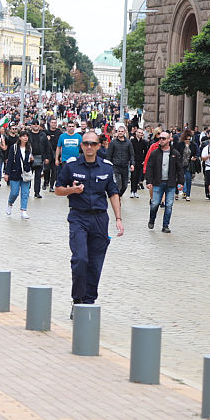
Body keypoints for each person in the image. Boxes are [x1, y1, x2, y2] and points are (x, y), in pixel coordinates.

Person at [54, 130, 124, 311]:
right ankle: (77, 300)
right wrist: (72, 190)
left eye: (93, 144)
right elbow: (58, 189)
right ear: (81, 146)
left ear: (99, 146)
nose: (89, 147)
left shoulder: (106, 168)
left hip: (100, 219)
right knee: (80, 258)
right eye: (86, 144)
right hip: (78, 217)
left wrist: (118, 218)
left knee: (95, 262)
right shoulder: (72, 166)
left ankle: (88, 302)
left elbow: (113, 193)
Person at [145, 131, 183, 233]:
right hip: (157, 182)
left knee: (169, 205)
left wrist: (181, 182)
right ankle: (152, 219)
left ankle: (165, 225)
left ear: (169, 140)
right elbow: (149, 167)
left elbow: (179, 169)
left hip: (170, 183)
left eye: (163, 138)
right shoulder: (155, 153)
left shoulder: (175, 153)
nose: (161, 140)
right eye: (160, 138)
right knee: (155, 203)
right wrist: (148, 181)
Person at [4, 130, 35, 219]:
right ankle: (10, 204)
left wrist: (31, 160)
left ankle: (23, 211)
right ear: (20, 137)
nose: (25, 138)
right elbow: (10, 161)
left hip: (26, 173)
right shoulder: (14, 148)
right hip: (15, 172)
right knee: (14, 192)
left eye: (27, 136)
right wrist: (7, 173)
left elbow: (29, 162)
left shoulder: (29, 148)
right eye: (23, 136)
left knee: (25, 193)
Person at [107, 125, 135, 198]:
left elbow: (132, 154)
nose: (120, 133)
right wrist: (108, 165)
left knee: (125, 185)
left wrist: (132, 164)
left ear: (125, 132)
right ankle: (116, 197)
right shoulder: (113, 143)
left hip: (125, 166)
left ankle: (119, 195)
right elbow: (109, 155)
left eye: (122, 131)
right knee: (118, 183)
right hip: (115, 166)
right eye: (119, 131)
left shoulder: (128, 143)